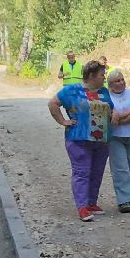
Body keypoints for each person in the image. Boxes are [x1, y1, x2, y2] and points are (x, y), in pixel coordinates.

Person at [49, 63, 112, 220]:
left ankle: (92, 203)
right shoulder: (71, 90)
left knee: (96, 172)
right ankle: (82, 207)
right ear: (91, 75)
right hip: (78, 139)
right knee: (82, 172)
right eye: (101, 75)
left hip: (101, 139)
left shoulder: (104, 91)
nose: (104, 77)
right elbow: (53, 104)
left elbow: (110, 109)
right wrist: (63, 121)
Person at [105, 69, 130, 213]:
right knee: (120, 167)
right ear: (110, 84)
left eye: (122, 79)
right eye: (117, 81)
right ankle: (124, 200)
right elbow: (106, 118)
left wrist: (118, 117)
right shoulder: (106, 96)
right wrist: (123, 119)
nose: (121, 83)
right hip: (115, 137)